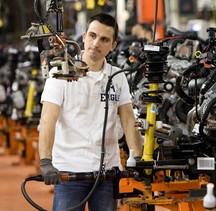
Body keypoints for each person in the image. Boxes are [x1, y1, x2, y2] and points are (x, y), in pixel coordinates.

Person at [38, 13, 143, 211]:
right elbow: (47, 120)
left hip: (107, 173)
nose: (96, 43)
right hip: (70, 172)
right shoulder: (60, 73)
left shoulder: (117, 77)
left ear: (113, 45)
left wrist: (137, 157)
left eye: (104, 39)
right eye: (93, 36)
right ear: (84, 36)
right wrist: (45, 160)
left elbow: (128, 120)